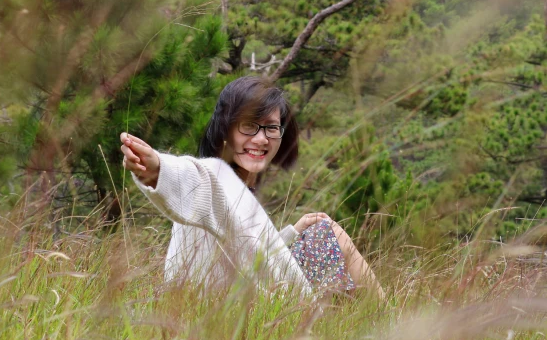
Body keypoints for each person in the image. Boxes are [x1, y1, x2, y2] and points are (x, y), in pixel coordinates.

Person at [119, 75, 383, 298]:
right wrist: (157, 169)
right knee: (328, 233)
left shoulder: (241, 188)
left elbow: (245, 255)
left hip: (241, 299)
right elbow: (193, 179)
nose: (260, 139)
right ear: (225, 129)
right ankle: (388, 319)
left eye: (271, 128)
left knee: (318, 228)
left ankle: (381, 320)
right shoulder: (216, 176)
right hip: (213, 318)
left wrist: (291, 233)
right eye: (248, 126)